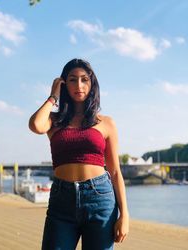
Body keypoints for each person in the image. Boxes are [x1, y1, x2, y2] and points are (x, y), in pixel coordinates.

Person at [29, 58, 129, 250]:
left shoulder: (106, 123)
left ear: (92, 84)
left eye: (84, 79)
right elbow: (35, 125)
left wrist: (124, 215)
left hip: (100, 199)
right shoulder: (54, 120)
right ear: (64, 84)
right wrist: (52, 97)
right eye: (72, 80)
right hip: (61, 201)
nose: (79, 85)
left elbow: (115, 172)